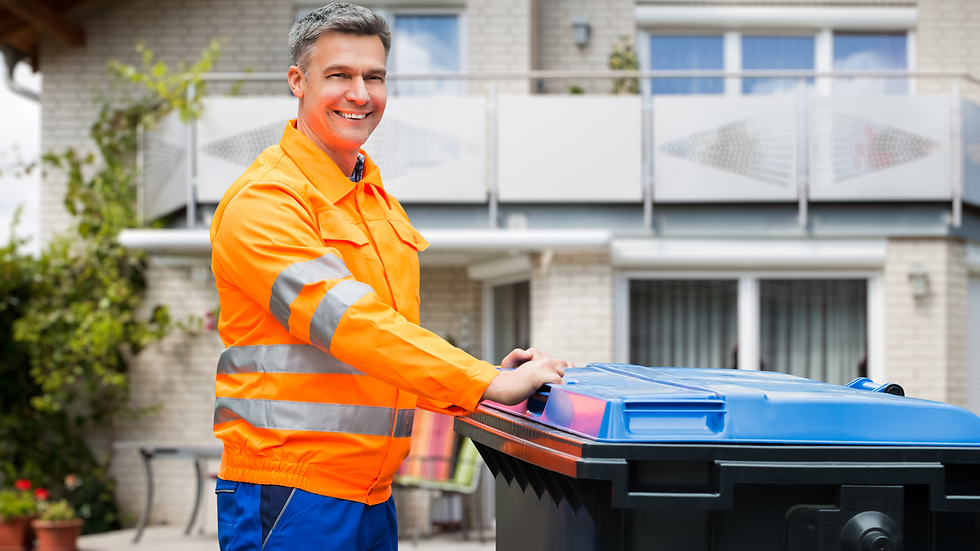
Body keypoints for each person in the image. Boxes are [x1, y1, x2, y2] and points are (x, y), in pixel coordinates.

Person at [208, 4, 569, 550]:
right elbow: (351, 324)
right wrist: (481, 383)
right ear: (297, 82)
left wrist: (486, 385)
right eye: (339, 76)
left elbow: (389, 350)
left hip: (373, 493)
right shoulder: (264, 202)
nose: (360, 93)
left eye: (373, 77)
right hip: (291, 494)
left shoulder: (375, 203)